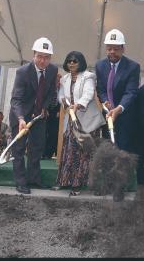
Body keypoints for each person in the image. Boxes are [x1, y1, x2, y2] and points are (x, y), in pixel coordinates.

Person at [9, 37, 58, 195]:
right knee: (19, 148)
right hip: (21, 115)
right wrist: (21, 118)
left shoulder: (52, 70)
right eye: (40, 56)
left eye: (47, 57)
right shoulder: (23, 72)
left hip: (39, 115)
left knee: (37, 147)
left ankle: (34, 179)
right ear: (34, 55)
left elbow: (51, 93)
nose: (43, 61)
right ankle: (21, 182)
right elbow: (15, 99)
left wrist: (44, 107)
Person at [57, 51, 105, 196]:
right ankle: (66, 181)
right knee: (70, 152)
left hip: (87, 123)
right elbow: (61, 96)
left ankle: (79, 185)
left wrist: (78, 105)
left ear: (81, 62)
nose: (71, 63)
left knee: (84, 154)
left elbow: (89, 94)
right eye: (69, 61)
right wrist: (64, 103)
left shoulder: (88, 76)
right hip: (72, 122)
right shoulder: (64, 79)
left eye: (75, 61)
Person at [95, 28, 140, 153]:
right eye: (109, 49)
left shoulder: (133, 67)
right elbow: (101, 89)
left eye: (116, 49)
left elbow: (131, 92)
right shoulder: (100, 66)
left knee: (122, 153)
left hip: (125, 118)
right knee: (106, 151)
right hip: (107, 117)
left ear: (123, 49)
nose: (112, 52)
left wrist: (119, 108)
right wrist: (105, 102)